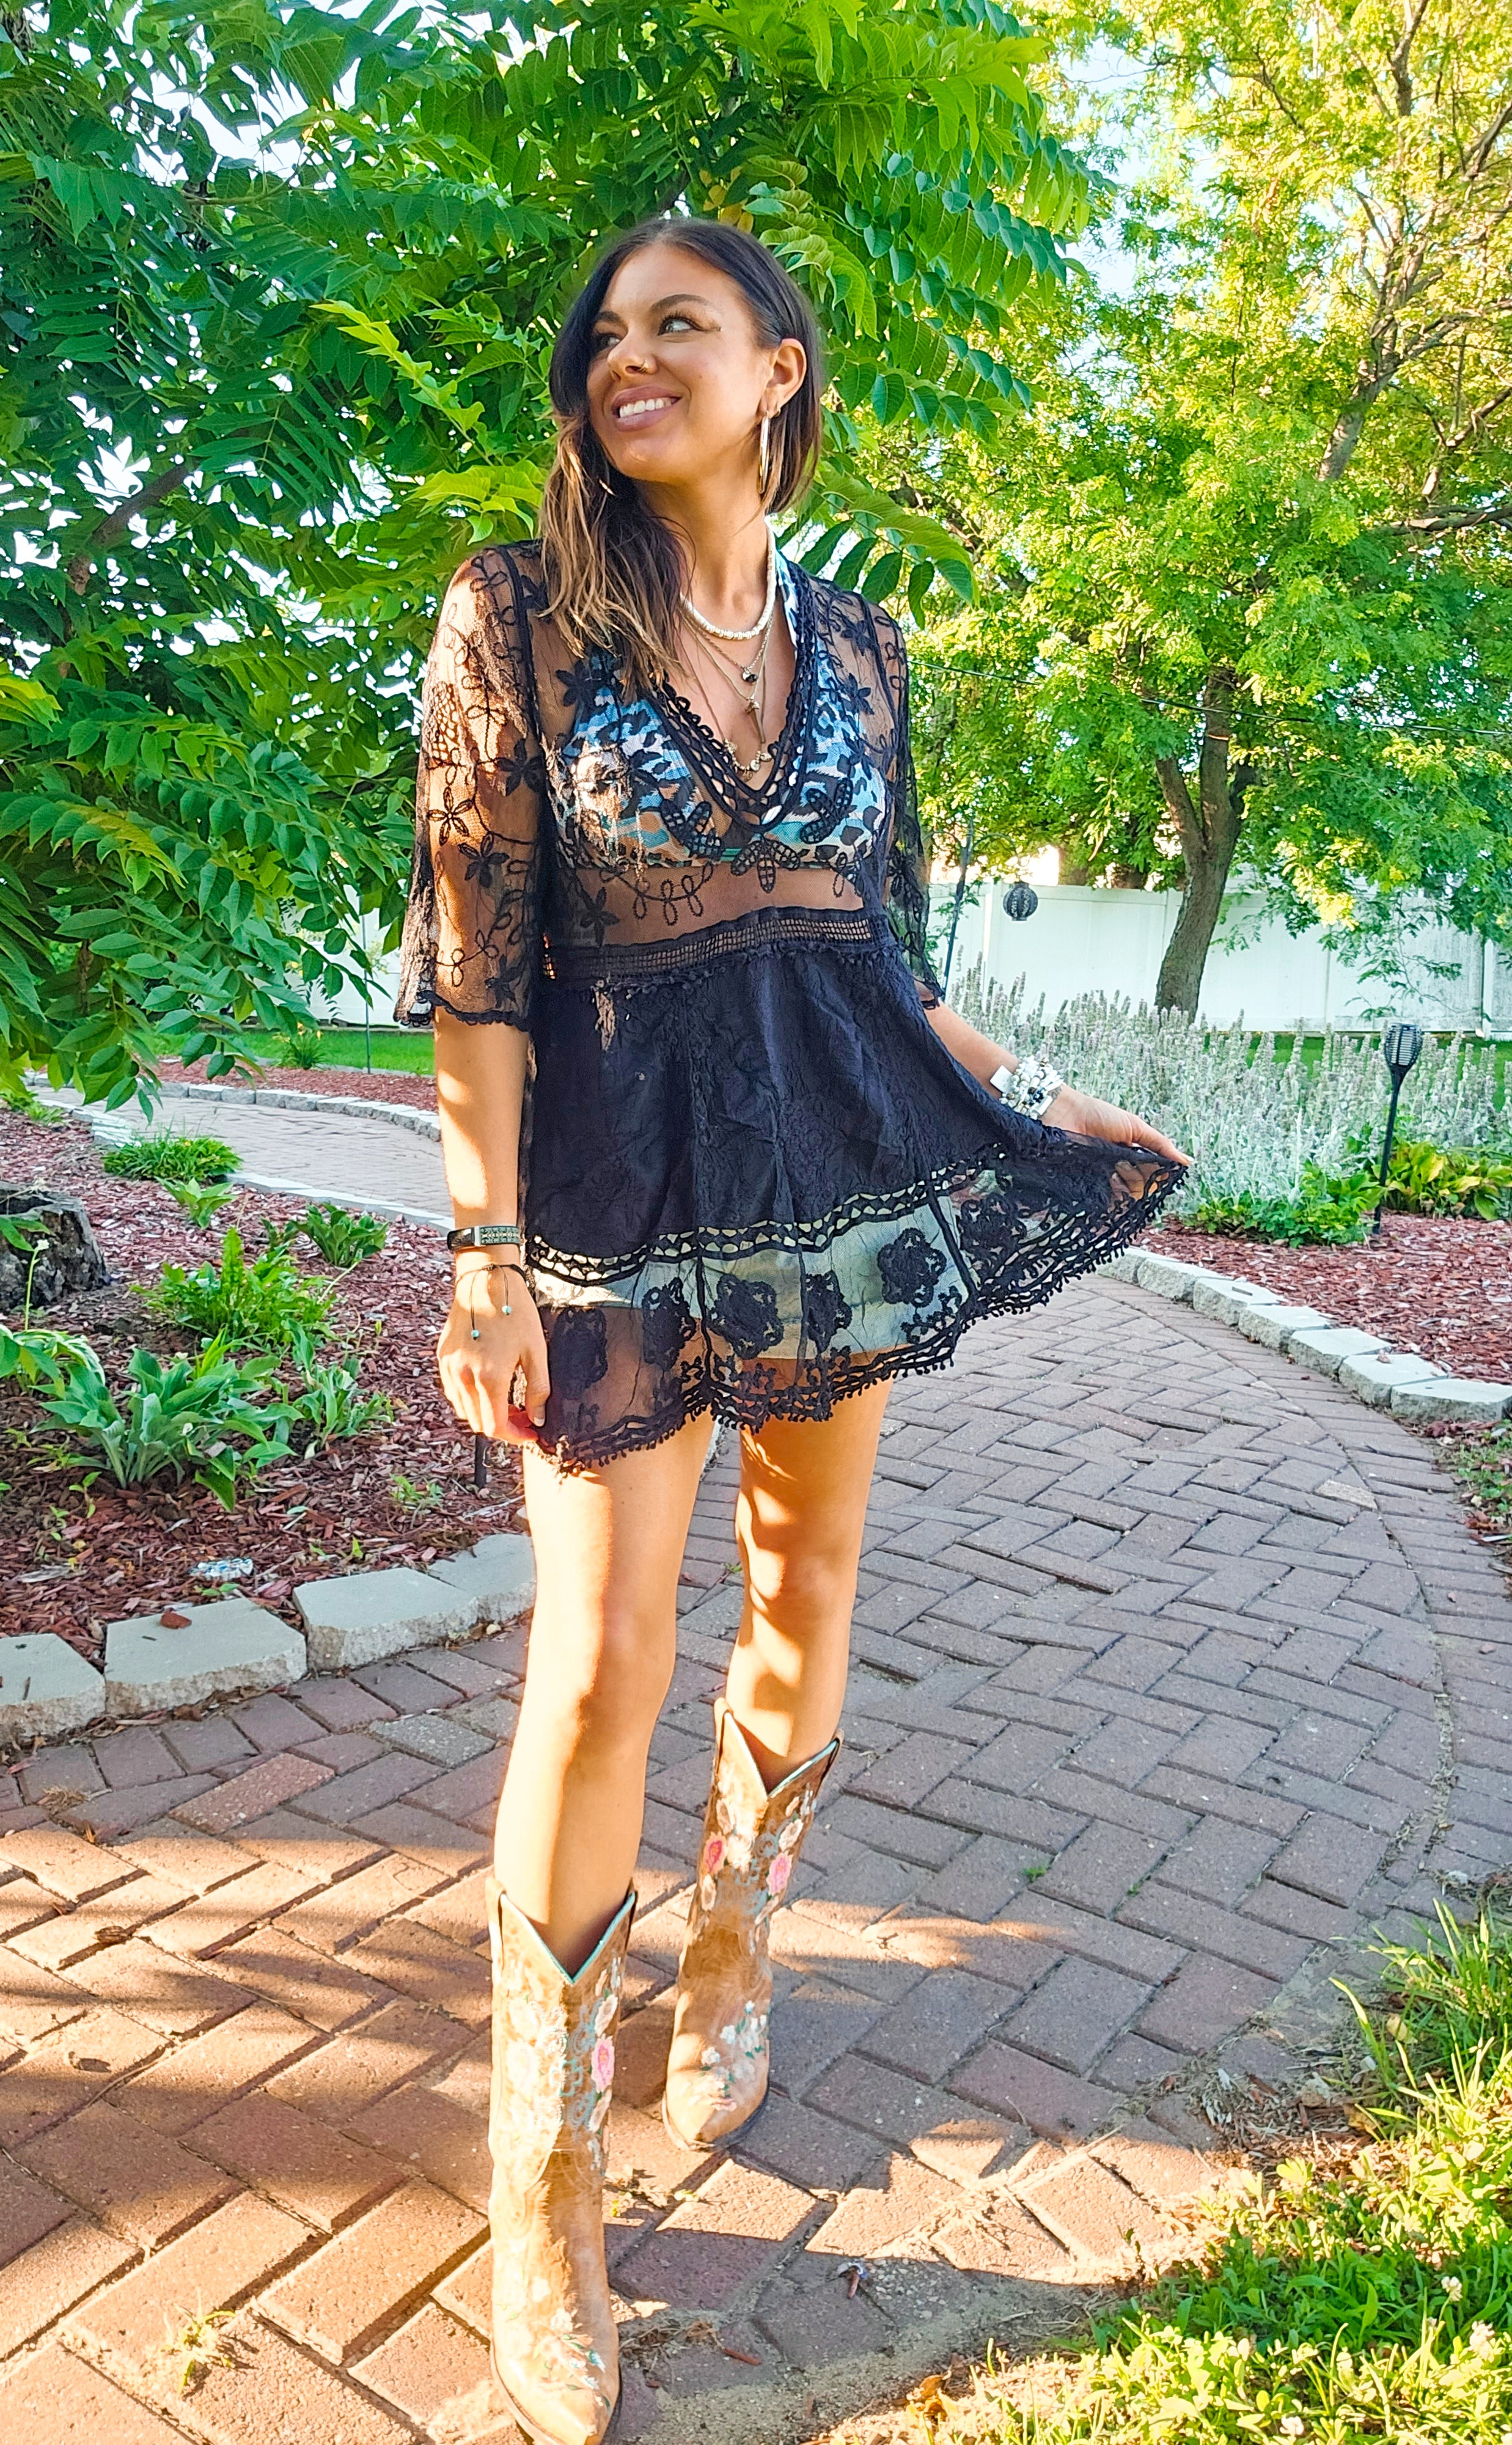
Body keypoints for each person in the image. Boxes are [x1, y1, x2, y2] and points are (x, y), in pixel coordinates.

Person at [397, 216, 1189, 2445]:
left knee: (809, 1580)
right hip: (610, 1189)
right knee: (599, 1659)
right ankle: (544, 2181)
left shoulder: (861, 644)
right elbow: (476, 959)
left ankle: (732, 1953)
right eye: (606, 334)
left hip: (830, 1168)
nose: (627, 358)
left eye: (682, 326)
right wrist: (480, 1253)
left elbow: (888, 953)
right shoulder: (517, 615)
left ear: (782, 371)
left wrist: (1036, 1095)